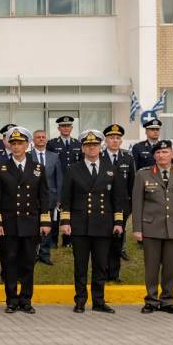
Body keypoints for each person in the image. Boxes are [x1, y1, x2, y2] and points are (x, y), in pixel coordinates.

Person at [60, 130, 124, 314]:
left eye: (95, 145)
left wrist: (118, 222)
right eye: (88, 146)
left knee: (100, 265)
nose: (91, 148)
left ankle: (99, 301)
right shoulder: (74, 169)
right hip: (80, 225)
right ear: (82, 148)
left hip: (103, 224)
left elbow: (118, 199)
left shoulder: (111, 169)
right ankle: (80, 300)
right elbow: (66, 198)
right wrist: (65, 221)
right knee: (80, 266)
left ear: (100, 147)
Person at [0, 127, 51, 314]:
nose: (16, 147)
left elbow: (44, 197)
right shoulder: (0, 168)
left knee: (28, 263)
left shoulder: (38, 168)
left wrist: (45, 222)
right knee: (9, 263)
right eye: (13, 143)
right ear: (8, 145)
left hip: (30, 223)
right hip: (8, 224)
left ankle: (26, 299)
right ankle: (11, 300)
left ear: (27, 145)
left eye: (20, 143)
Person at [132, 140, 173, 314]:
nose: (161, 156)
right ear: (154, 156)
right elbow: (137, 204)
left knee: (170, 267)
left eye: (165, 152)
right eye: (158, 153)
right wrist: (137, 228)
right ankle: (151, 300)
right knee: (151, 267)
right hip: (151, 227)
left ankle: (167, 300)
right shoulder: (143, 175)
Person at [101, 123, 137, 280]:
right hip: (102, 205)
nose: (114, 141)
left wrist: (130, 206)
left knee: (117, 240)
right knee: (102, 241)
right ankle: (102, 272)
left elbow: (132, 184)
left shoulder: (127, 159)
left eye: (117, 138)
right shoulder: (99, 157)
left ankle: (114, 274)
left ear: (121, 141)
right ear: (106, 141)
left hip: (121, 207)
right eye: (111, 138)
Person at [30, 129, 64, 266]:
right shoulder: (27, 156)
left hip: (50, 197)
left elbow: (59, 179)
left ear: (46, 140)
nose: (41, 139)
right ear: (33, 140)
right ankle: (32, 254)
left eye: (43, 137)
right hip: (31, 197)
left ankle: (44, 254)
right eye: (38, 137)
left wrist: (59, 197)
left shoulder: (54, 157)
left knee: (47, 226)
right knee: (32, 227)